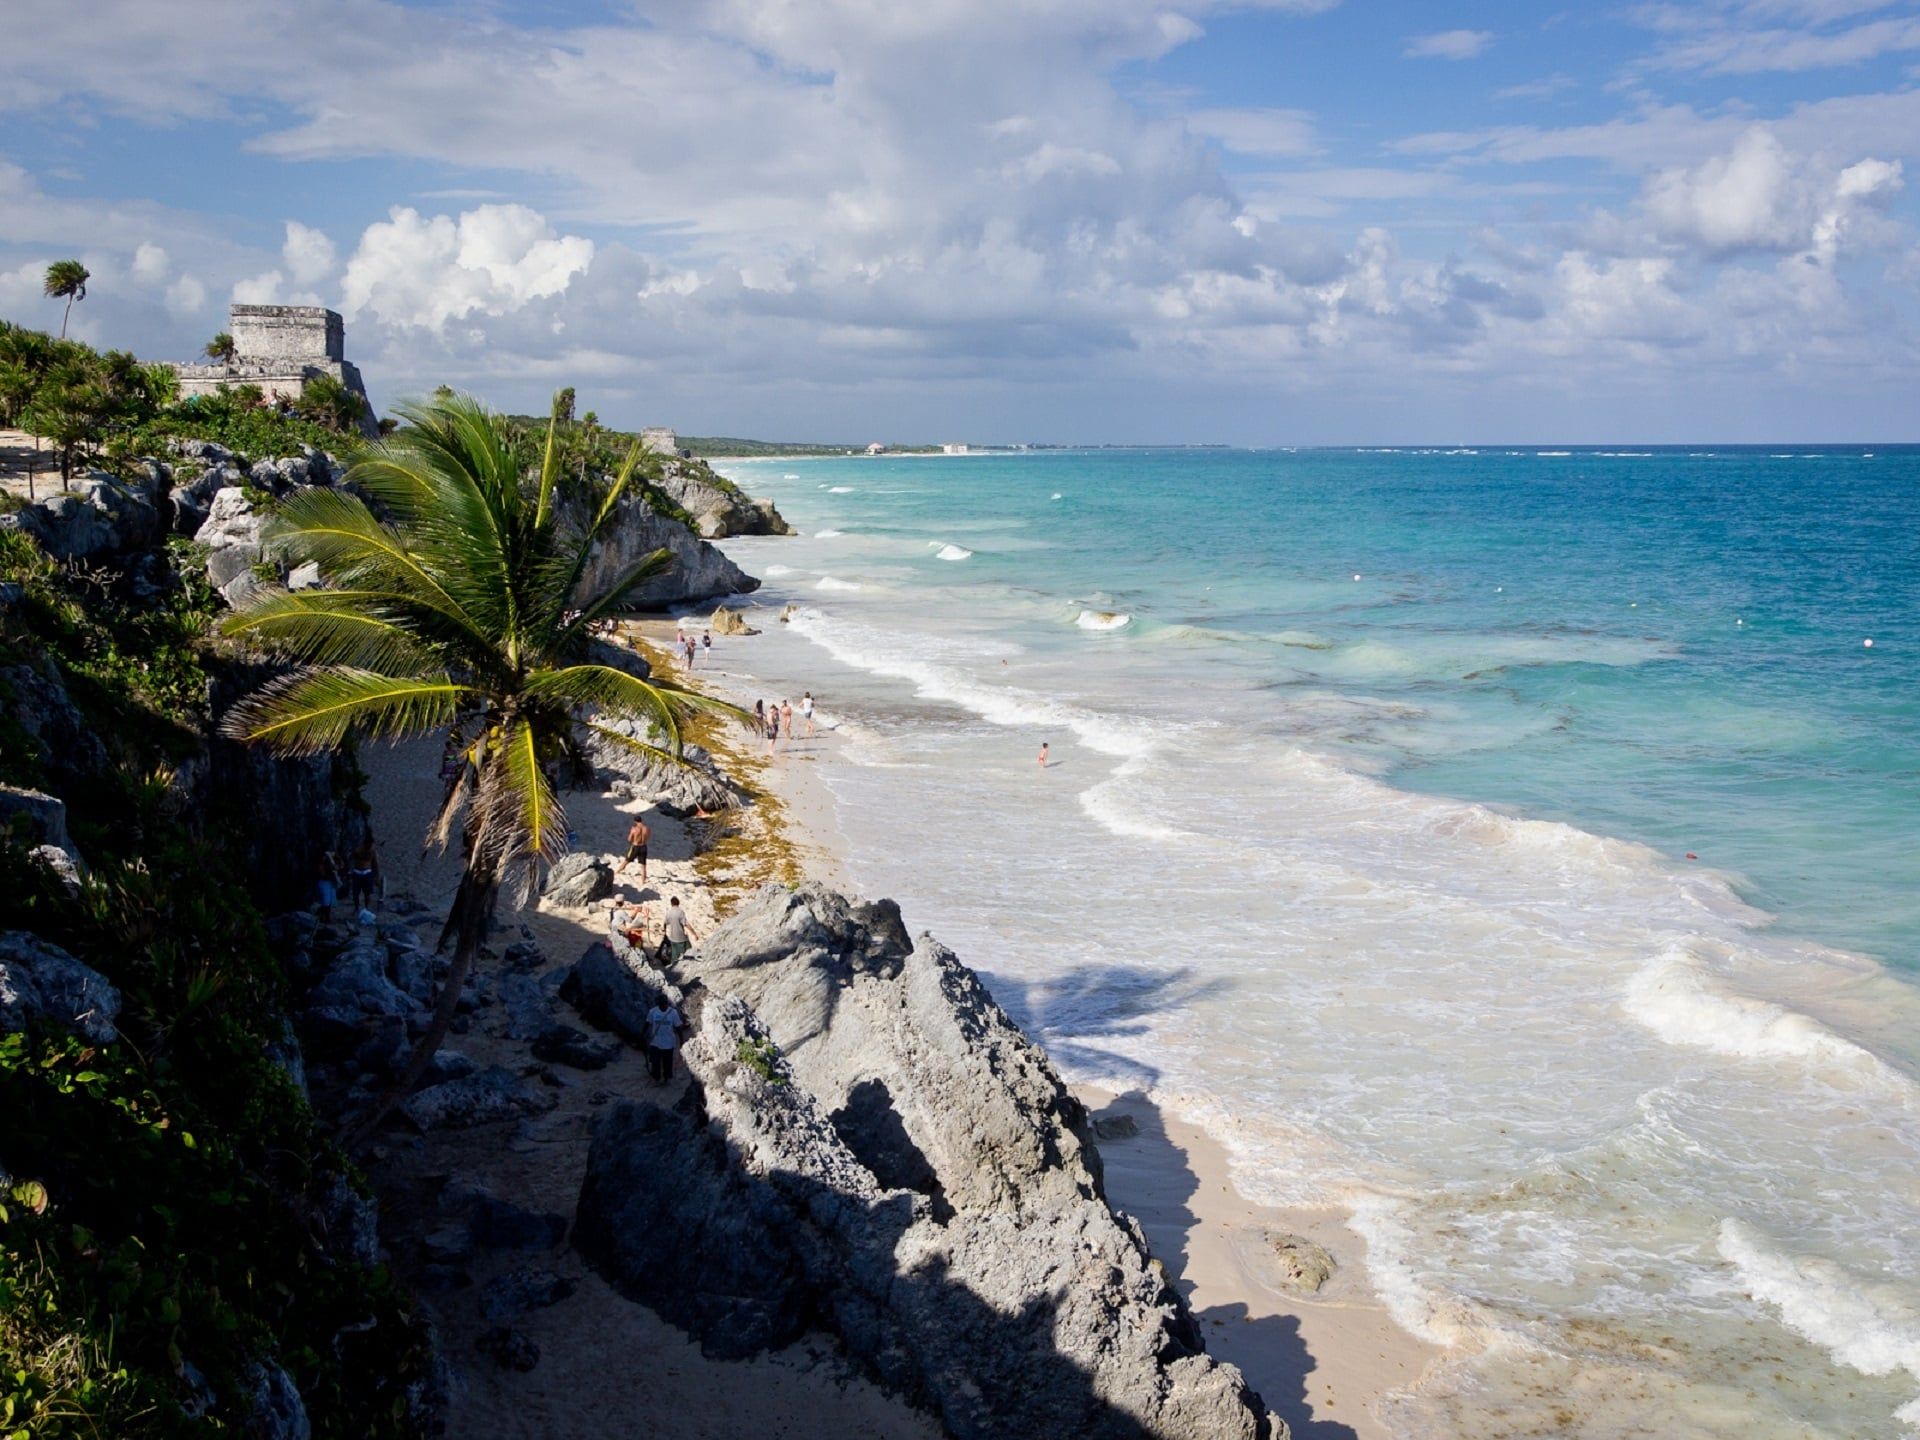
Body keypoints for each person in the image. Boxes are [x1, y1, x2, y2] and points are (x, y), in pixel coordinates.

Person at [644, 991, 685, 1084]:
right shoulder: (653, 1012)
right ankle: (656, 1078)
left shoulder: (673, 1013)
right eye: (661, 1004)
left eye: (665, 1003)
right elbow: (647, 1023)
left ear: (667, 1003)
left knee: (667, 1062)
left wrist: (682, 1040)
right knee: (655, 1061)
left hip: (669, 1042)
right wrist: (642, 1034)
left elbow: (678, 1027)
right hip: (655, 1042)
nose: (663, 1006)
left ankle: (667, 1078)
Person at [347, 839, 380, 913]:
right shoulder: (357, 850)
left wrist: (376, 876)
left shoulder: (372, 851)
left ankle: (366, 907)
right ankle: (357, 907)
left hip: (367, 873)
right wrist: (350, 870)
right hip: (357, 872)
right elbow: (351, 859)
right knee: (356, 893)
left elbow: (375, 864)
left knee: (367, 893)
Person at [661, 896, 696, 962]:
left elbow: (665, 923)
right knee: (688, 953)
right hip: (681, 938)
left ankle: (672, 969)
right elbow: (686, 924)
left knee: (674, 957)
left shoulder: (669, 913)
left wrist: (665, 932)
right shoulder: (680, 912)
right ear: (678, 903)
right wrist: (694, 933)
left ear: (671, 904)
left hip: (673, 938)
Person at [617, 814, 651, 882]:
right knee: (643, 865)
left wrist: (634, 840)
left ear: (635, 821)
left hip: (635, 846)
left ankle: (617, 872)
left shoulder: (634, 829)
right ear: (641, 820)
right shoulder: (647, 828)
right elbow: (648, 837)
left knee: (627, 860)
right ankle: (643, 881)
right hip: (644, 846)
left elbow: (629, 839)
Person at [313, 850, 340, 921]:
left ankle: (326, 917)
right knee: (326, 901)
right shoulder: (323, 859)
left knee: (329, 901)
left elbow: (339, 866)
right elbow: (321, 870)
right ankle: (324, 916)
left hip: (329, 880)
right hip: (324, 881)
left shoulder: (332, 858)